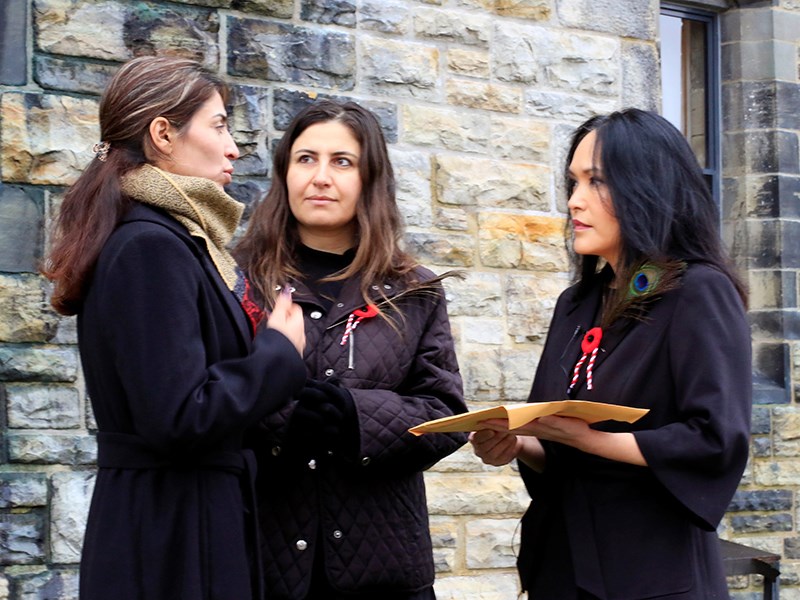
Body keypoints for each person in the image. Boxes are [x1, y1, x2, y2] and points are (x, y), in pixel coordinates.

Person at [43, 55, 307, 600]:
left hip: (182, 523)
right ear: (163, 134)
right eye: (219, 125)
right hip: (172, 541)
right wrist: (280, 352)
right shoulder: (149, 248)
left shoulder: (171, 240)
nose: (234, 147)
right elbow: (179, 415)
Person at [470, 108, 752, 599]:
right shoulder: (577, 303)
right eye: (573, 182)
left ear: (649, 186)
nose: (575, 201)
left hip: (651, 576)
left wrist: (589, 440)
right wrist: (518, 445)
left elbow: (715, 439)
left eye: (596, 181)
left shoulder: (698, 291)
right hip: (560, 566)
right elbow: (556, 442)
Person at [234, 99, 467, 599]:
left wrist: (355, 416)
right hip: (263, 560)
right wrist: (283, 423)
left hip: (382, 568)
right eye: (305, 159)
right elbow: (205, 400)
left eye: (342, 161)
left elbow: (447, 415)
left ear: (369, 179)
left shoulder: (412, 290)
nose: (320, 177)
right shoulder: (236, 281)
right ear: (284, 173)